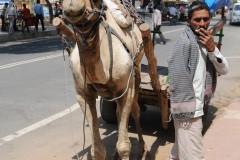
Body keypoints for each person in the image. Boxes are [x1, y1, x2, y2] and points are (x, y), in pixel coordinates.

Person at [167, 1, 228, 160]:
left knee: (178, 153)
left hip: (197, 108)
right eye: (197, 20)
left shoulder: (206, 41)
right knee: (195, 156)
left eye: (206, 19)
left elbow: (224, 69)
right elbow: (174, 76)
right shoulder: (185, 43)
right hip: (189, 112)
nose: (202, 24)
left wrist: (212, 49)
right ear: (188, 21)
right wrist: (185, 111)